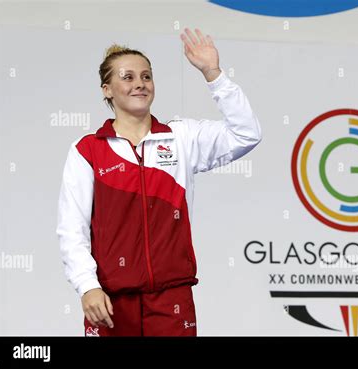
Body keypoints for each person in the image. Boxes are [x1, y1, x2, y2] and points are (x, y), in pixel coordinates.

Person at [56, 28, 261, 336]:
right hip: (112, 302)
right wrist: (88, 287)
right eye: (127, 77)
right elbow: (72, 229)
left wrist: (213, 74)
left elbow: (247, 134)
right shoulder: (88, 150)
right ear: (106, 89)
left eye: (146, 76)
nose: (139, 83)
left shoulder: (181, 138)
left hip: (171, 300)